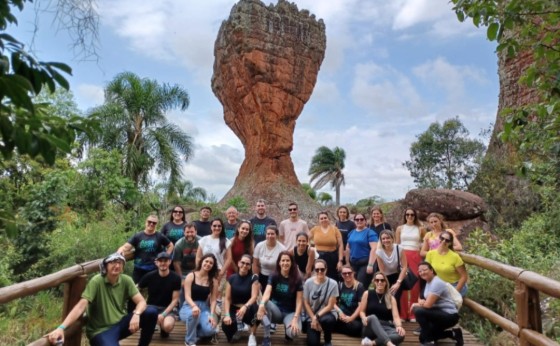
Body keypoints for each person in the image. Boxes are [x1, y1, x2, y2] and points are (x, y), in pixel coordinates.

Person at [46, 253, 158, 346]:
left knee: (151, 312)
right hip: (101, 331)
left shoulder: (126, 280)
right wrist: (61, 327)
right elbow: (81, 306)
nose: (117, 266)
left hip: (120, 323)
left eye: (119, 263)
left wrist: (136, 314)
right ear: (105, 266)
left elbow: (142, 302)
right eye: (113, 262)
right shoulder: (97, 281)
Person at [411, 262, 464, 346]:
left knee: (418, 311)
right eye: (420, 271)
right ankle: (453, 334)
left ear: (431, 270)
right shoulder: (427, 282)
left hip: (449, 315)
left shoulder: (437, 282)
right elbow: (424, 299)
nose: (422, 273)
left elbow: (428, 305)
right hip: (437, 313)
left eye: (424, 270)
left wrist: (415, 304)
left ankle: (429, 342)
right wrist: (421, 302)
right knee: (422, 338)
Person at [257, 251, 303, 346]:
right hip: (276, 311)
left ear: (291, 263)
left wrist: (295, 318)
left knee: (294, 333)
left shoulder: (297, 278)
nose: (285, 263)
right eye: (283, 260)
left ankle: (288, 332)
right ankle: (267, 337)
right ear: (279, 262)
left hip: (290, 313)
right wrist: (261, 305)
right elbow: (267, 292)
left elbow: (299, 301)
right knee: (265, 303)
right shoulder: (273, 276)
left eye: (287, 260)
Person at [117, 214, 173, 283]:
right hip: (139, 268)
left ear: (156, 224)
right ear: (146, 222)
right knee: (135, 289)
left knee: (153, 290)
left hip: (154, 268)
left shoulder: (159, 236)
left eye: (154, 223)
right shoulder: (138, 236)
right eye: (149, 221)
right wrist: (119, 252)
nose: (151, 224)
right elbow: (126, 247)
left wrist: (165, 256)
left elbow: (170, 245)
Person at [137, 252, 181, 338]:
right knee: (146, 317)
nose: (163, 263)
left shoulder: (176, 278)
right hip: (151, 307)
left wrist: (163, 314)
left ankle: (161, 327)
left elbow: (175, 300)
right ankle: (151, 324)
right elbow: (136, 289)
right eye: (160, 261)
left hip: (167, 308)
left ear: (170, 262)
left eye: (165, 261)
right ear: (156, 262)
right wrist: (141, 303)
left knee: (167, 327)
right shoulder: (149, 276)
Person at [179, 253, 220, 346]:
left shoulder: (213, 280)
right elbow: (187, 296)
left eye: (211, 263)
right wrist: (194, 306)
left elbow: (213, 300)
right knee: (194, 314)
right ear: (202, 262)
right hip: (188, 306)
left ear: (213, 266)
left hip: (204, 307)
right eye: (206, 261)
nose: (208, 264)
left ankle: (194, 330)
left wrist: (212, 315)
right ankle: (189, 341)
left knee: (210, 330)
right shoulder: (191, 276)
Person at [222, 254, 260, 346]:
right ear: (238, 263)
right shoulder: (231, 278)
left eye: (247, 264)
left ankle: (252, 335)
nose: (244, 265)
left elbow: (254, 297)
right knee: (226, 326)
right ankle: (237, 329)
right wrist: (226, 314)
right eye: (242, 263)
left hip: (248, 308)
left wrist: (245, 307)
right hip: (234, 308)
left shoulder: (253, 278)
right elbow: (227, 298)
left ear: (250, 266)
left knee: (256, 310)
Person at [358, 272, 405, 346]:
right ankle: (389, 344)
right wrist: (363, 317)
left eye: (382, 280)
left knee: (401, 335)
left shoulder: (391, 298)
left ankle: (371, 343)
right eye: (377, 280)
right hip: (370, 326)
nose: (380, 282)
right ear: (374, 282)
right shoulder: (367, 293)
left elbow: (396, 316)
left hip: (386, 326)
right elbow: (362, 311)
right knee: (372, 317)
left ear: (386, 282)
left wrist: (399, 326)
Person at [395, 208, 425, 321]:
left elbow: (424, 242)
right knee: (403, 283)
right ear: (405, 216)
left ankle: (413, 313)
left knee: (415, 284)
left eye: (412, 214)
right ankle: (402, 313)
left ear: (415, 216)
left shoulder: (420, 228)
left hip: (415, 255)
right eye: (407, 214)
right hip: (403, 255)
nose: (410, 216)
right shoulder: (400, 228)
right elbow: (397, 244)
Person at [303, 259, 339, 346]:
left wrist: (316, 317)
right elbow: (306, 303)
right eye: (317, 269)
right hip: (312, 314)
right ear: (314, 270)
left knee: (328, 320)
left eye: (322, 269)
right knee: (313, 343)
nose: (320, 271)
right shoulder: (308, 283)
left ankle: (327, 339)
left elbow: (330, 306)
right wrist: (313, 318)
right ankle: (316, 331)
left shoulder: (333, 284)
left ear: (326, 269)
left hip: (326, 314)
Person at [425, 230, 468, 297]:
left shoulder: (455, 257)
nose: (444, 241)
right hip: (438, 285)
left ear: (450, 243)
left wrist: (455, 293)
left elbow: (464, 276)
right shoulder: (430, 254)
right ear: (438, 239)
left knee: (443, 302)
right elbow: (426, 271)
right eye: (442, 238)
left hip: (453, 285)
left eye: (447, 240)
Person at [376, 230, 408, 312]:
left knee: (396, 296)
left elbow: (404, 267)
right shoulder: (379, 252)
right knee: (387, 296)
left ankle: (396, 318)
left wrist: (398, 282)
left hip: (398, 275)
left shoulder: (399, 248)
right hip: (386, 276)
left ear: (392, 238)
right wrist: (384, 283)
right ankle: (388, 317)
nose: (386, 240)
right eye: (383, 239)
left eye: (388, 238)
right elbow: (381, 270)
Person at [346, 212, 378, 289]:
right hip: (353, 263)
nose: (359, 221)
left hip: (365, 263)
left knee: (360, 285)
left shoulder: (370, 232)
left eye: (361, 219)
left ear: (365, 221)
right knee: (352, 284)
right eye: (357, 219)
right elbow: (348, 248)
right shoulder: (351, 232)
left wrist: (370, 265)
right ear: (354, 221)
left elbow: (374, 249)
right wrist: (347, 262)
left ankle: (363, 300)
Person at [309, 211, 344, 280]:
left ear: (329, 219)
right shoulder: (315, 229)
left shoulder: (335, 229)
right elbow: (305, 239)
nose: (323, 220)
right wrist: (310, 249)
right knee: (319, 277)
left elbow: (341, 245)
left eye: (325, 218)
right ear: (318, 220)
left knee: (333, 278)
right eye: (321, 218)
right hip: (319, 257)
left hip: (332, 257)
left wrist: (340, 261)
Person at [334, 265, 365, 337]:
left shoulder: (359, 286)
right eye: (344, 273)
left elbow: (361, 306)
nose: (347, 275)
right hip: (341, 316)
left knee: (357, 328)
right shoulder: (340, 285)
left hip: (353, 316)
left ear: (353, 273)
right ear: (342, 275)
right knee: (330, 321)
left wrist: (351, 318)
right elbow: (333, 303)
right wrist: (339, 312)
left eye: (349, 273)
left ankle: (338, 329)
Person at [253, 225, 286, 292]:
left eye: (272, 234)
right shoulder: (259, 246)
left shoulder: (282, 249)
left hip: (276, 277)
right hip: (262, 276)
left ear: (276, 235)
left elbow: (284, 266)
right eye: (268, 234)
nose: (270, 236)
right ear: (265, 235)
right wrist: (256, 280)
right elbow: (255, 264)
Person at [173, 223, 199, 307]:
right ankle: (181, 308)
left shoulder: (201, 242)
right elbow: (176, 262)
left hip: (197, 270)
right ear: (184, 233)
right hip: (183, 272)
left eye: (192, 232)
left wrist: (196, 273)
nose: (190, 234)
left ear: (196, 232)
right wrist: (181, 279)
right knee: (181, 288)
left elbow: (203, 259)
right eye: (187, 232)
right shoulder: (179, 244)